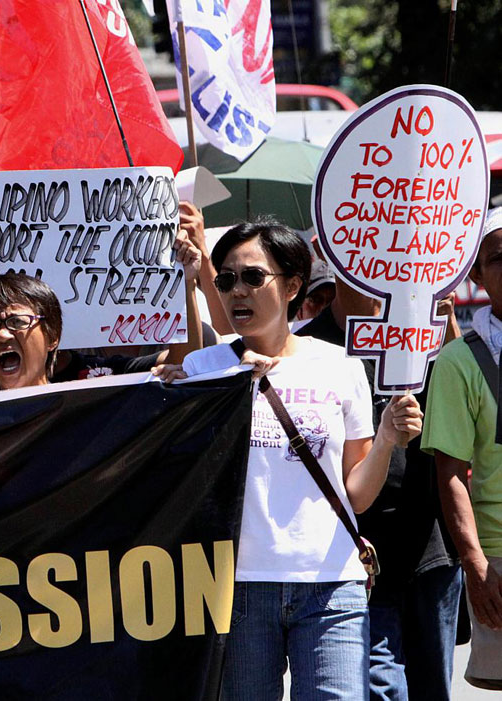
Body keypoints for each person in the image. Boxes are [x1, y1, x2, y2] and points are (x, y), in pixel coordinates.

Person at [158, 219, 422, 699]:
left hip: (331, 587)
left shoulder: (340, 368)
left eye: (253, 277)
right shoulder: (203, 368)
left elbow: (358, 496)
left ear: (293, 284)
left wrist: (385, 440)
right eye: (225, 280)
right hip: (235, 589)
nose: (238, 291)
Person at [298, 273, 462, 700]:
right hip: (357, 549)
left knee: (432, 688)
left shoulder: (422, 331)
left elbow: (462, 409)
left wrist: (446, 326)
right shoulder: (309, 347)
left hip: (431, 544)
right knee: (382, 686)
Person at [0, 227, 203, 405]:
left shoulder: (98, 380)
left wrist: (186, 284)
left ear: (53, 335)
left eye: (17, 322)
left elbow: (182, 366)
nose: (2, 335)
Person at [422, 208, 502, 690]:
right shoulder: (458, 361)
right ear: (476, 273)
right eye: (499, 258)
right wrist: (474, 562)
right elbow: (450, 472)